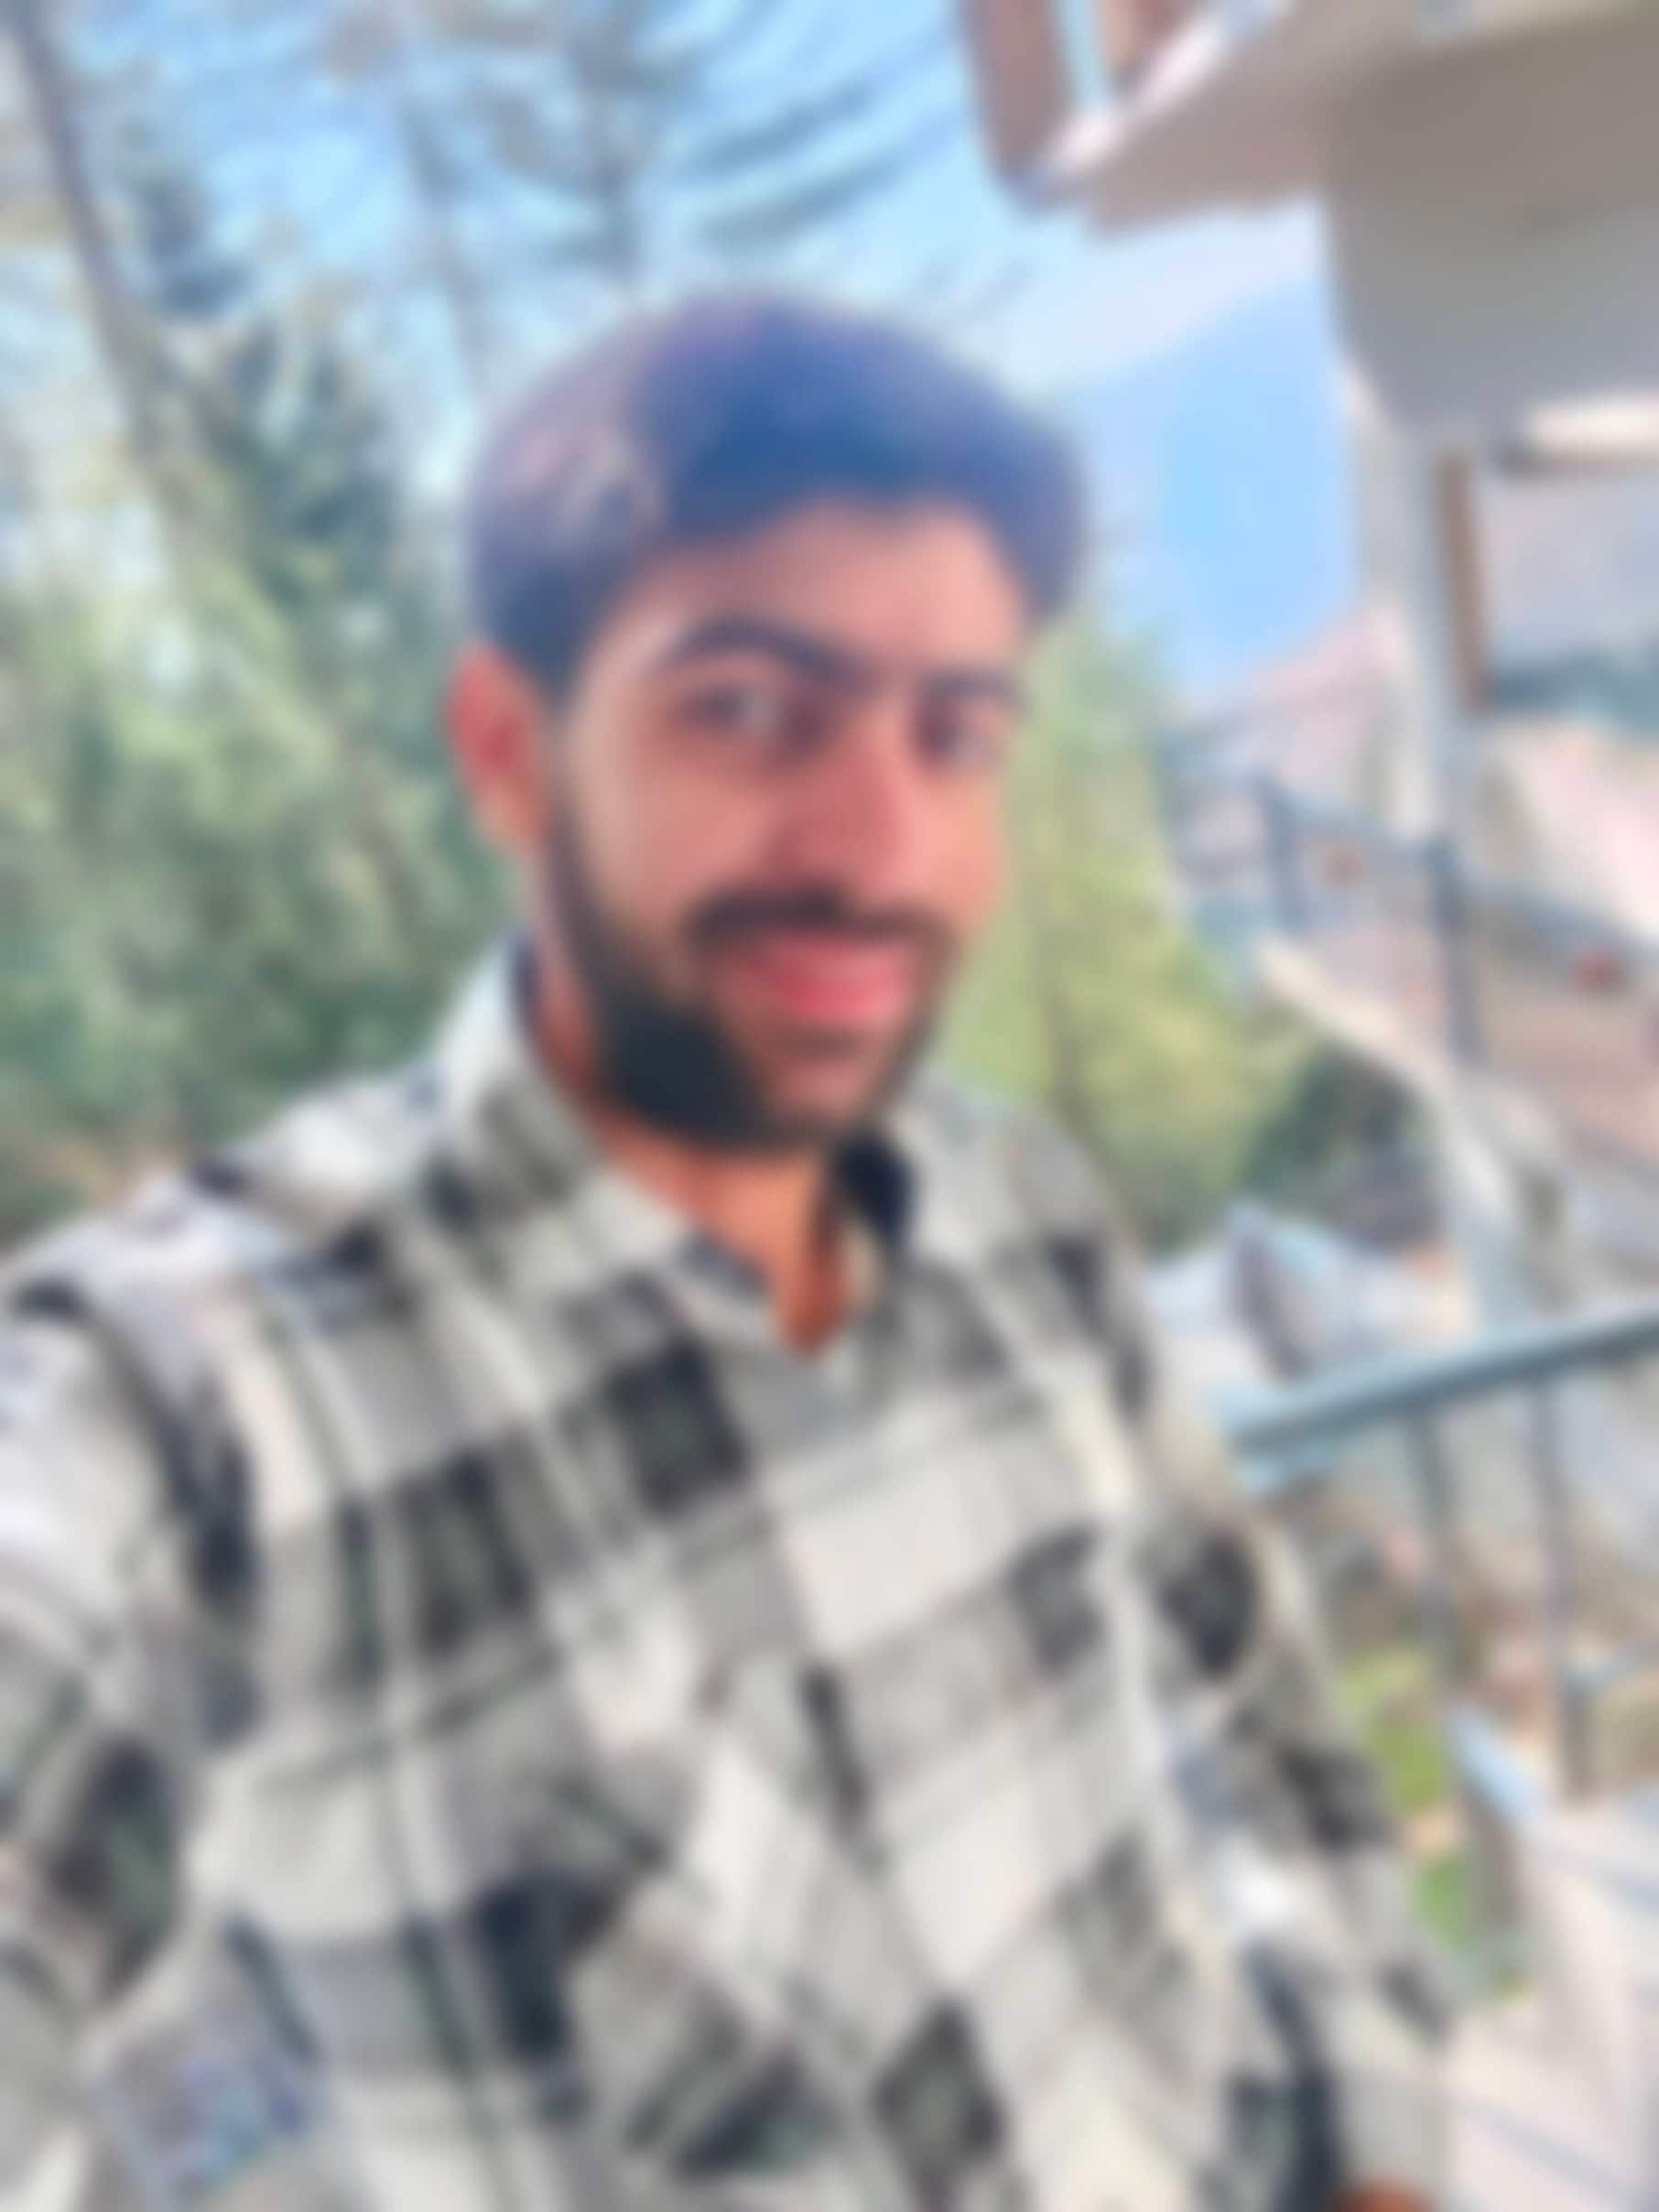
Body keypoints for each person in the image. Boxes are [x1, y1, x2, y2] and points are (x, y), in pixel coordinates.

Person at [0, 296, 1447, 2210]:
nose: (881, 845)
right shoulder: (207, 1397)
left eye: (957, 735)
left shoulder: (1025, 1213)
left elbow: (1260, 1714)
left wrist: (1376, 2160)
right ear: (509, 751)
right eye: (751, 709)